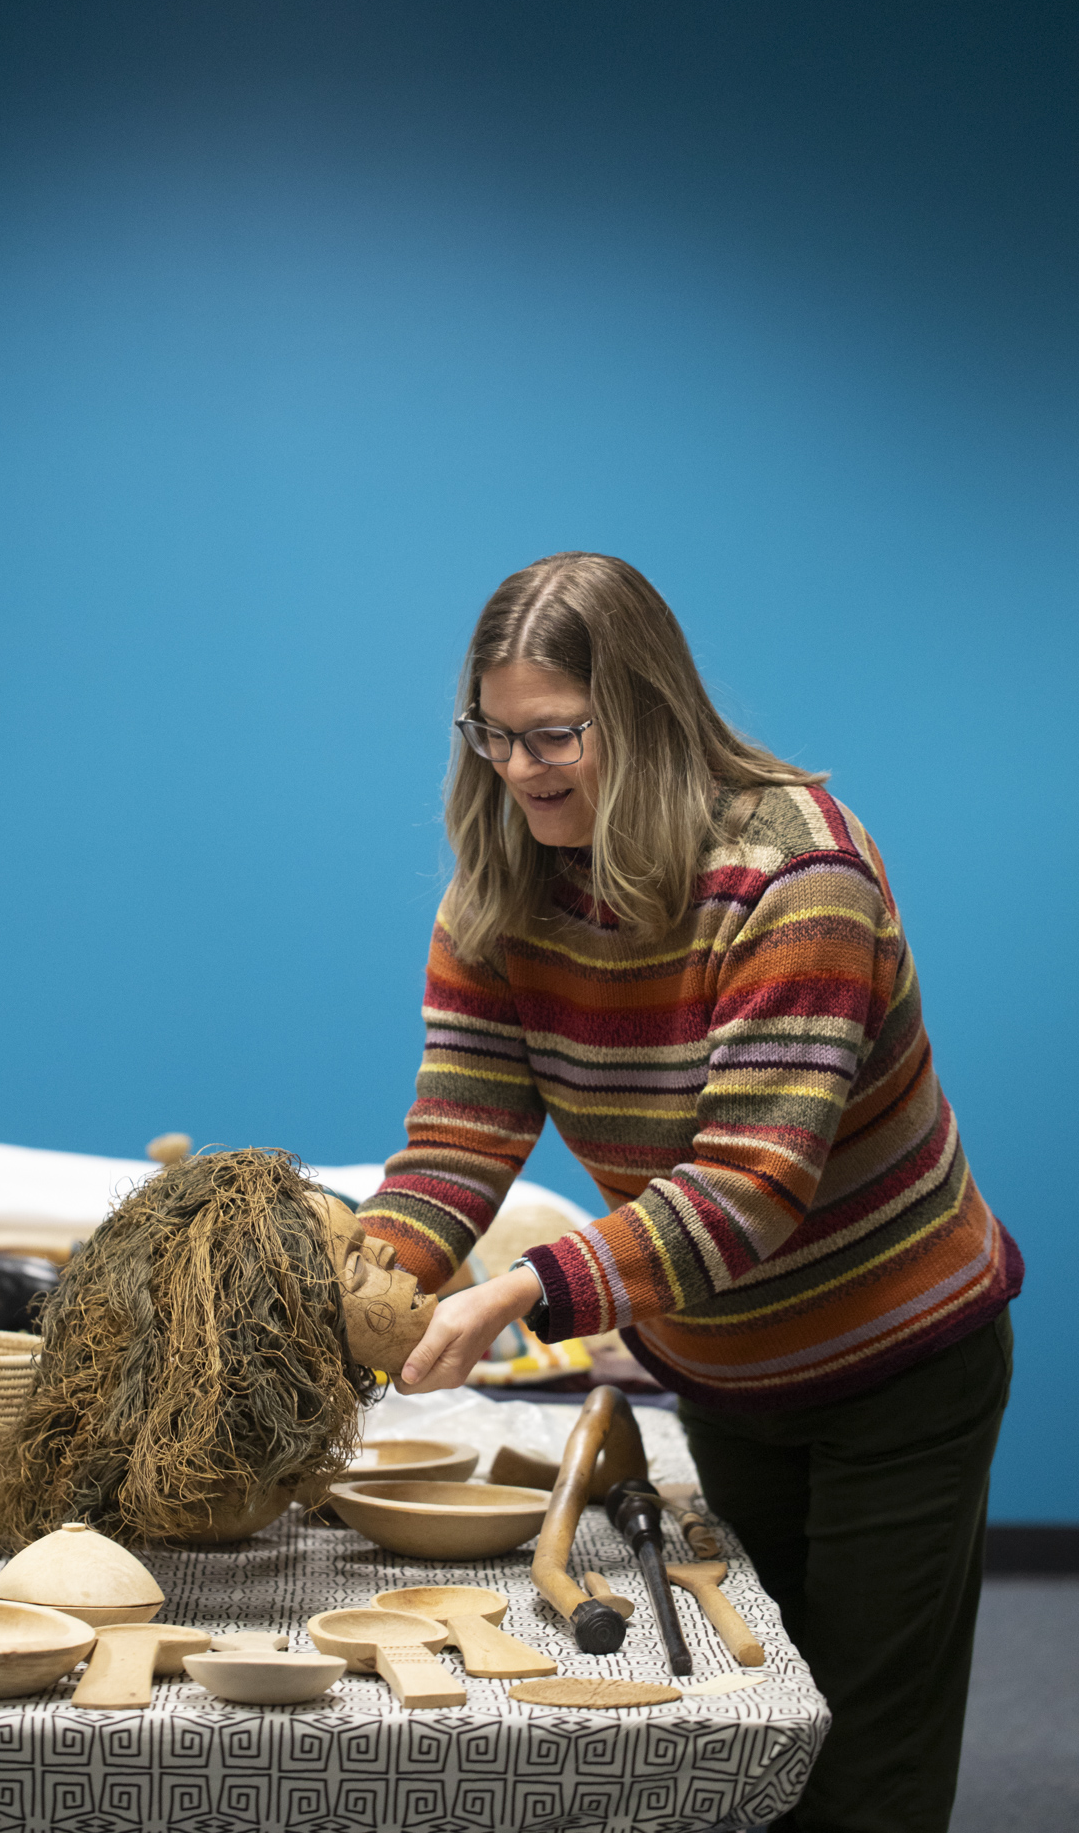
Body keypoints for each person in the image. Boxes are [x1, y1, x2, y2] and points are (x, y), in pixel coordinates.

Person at [353, 552, 1021, 1833]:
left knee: (864, 1765)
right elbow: (461, 1125)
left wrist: (517, 1294)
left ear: (646, 714)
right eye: (492, 735)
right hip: (723, 1368)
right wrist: (375, 1273)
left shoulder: (794, 873)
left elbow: (749, 1188)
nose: (520, 768)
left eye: (554, 734)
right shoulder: (503, 884)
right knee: (751, 1724)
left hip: (899, 1365)